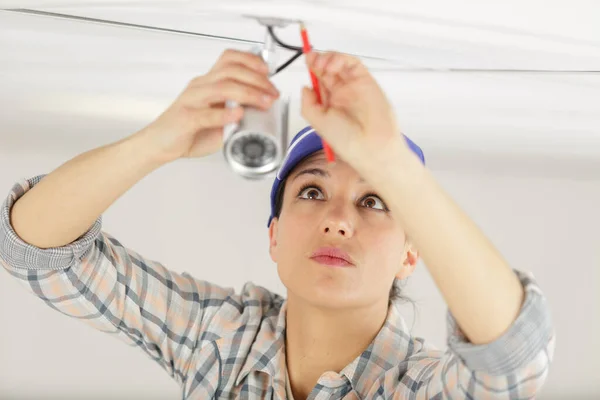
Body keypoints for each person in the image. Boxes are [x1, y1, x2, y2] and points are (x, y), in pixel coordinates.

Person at [0, 49, 554, 399]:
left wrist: (393, 164)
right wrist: (155, 143)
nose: (338, 220)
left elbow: (512, 365)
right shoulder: (220, 341)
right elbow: (36, 250)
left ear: (413, 253)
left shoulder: (419, 388)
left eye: (375, 202)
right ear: (274, 234)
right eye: (312, 191)